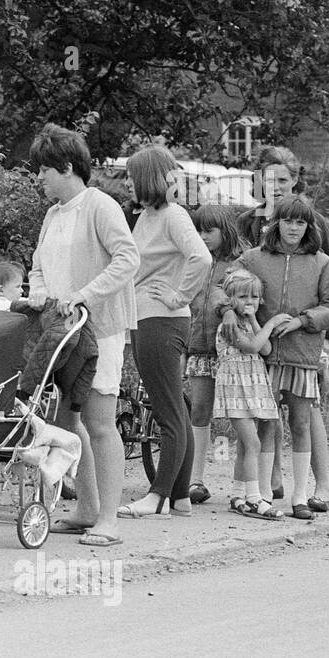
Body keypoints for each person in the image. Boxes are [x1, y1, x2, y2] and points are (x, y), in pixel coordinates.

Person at [27, 123, 139, 547]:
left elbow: (127, 259)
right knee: (69, 421)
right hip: (62, 332)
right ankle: (87, 509)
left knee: (100, 421)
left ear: (67, 167)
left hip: (100, 329)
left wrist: (83, 296)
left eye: (43, 170)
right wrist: (40, 295)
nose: (38, 178)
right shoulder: (52, 214)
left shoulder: (101, 206)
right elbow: (38, 267)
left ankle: (108, 519)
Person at [212, 194, 329, 519]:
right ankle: (256, 493)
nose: (294, 228)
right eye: (288, 220)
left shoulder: (323, 263)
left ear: (309, 226)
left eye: (301, 222)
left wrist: (303, 320)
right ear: (276, 223)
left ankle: (300, 496)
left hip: (302, 355)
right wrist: (227, 309)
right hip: (264, 361)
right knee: (265, 426)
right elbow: (220, 285)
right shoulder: (254, 258)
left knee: (300, 423)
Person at [118, 145, 211, 519]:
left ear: (147, 178)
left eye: (130, 177)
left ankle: (156, 497)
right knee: (174, 408)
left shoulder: (174, 215)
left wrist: (179, 295)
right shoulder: (148, 217)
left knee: (168, 411)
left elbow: (201, 257)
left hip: (161, 319)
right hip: (148, 317)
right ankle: (180, 498)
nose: (127, 183)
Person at [248, 146, 329, 511]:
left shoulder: (314, 225)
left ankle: (320, 487)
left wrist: (314, 329)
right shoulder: (250, 223)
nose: (275, 186)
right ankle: (269, 484)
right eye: (268, 180)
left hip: (306, 343)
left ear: (295, 180)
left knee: (306, 412)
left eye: (283, 180)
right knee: (266, 415)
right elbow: (238, 277)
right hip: (264, 343)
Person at [185, 205, 247, 503]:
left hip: (231, 351)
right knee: (199, 410)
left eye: (209, 230)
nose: (202, 236)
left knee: (239, 415)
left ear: (225, 230)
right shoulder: (193, 262)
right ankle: (195, 480)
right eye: (198, 230)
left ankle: (245, 485)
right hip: (198, 347)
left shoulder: (239, 264)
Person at [212, 269, 286, 520]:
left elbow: (265, 349)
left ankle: (237, 495)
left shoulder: (247, 323)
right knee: (253, 442)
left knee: (246, 445)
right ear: (230, 299)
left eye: (255, 297)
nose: (250, 301)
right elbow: (254, 346)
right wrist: (272, 323)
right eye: (243, 297)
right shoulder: (228, 325)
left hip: (251, 389)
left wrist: (255, 321)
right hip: (235, 391)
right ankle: (254, 498)